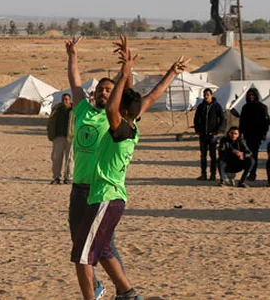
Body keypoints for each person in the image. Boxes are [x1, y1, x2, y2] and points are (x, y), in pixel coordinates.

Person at [68, 35, 189, 300]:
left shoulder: (118, 126)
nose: (105, 94)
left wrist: (125, 72)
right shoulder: (126, 125)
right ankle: (128, 294)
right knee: (102, 249)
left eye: (111, 92)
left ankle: (101, 294)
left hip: (103, 195)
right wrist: (170, 72)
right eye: (101, 89)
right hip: (98, 193)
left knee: (82, 254)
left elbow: (129, 102)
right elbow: (146, 96)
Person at [193, 88, 225, 181]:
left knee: (213, 155)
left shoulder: (216, 106)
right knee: (203, 155)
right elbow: (196, 118)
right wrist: (197, 129)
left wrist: (218, 131)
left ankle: (213, 174)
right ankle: (203, 174)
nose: (206, 96)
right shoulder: (201, 106)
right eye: (204, 94)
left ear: (211, 95)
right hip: (203, 134)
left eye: (207, 94)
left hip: (212, 134)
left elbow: (222, 119)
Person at [238, 88, 270, 181]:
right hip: (247, 134)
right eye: (249, 95)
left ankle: (252, 173)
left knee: (254, 154)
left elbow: (266, 122)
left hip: (257, 134)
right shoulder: (245, 107)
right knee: (247, 153)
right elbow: (242, 121)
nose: (251, 97)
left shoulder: (262, 107)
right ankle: (248, 172)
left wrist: (264, 133)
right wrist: (241, 133)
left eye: (253, 95)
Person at [47, 93, 74, 184]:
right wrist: (51, 134)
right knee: (56, 158)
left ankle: (69, 177)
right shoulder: (57, 110)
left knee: (70, 158)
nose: (64, 101)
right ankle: (56, 177)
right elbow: (51, 122)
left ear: (70, 100)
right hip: (59, 137)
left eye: (66, 99)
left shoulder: (75, 110)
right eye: (63, 99)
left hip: (71, 137)